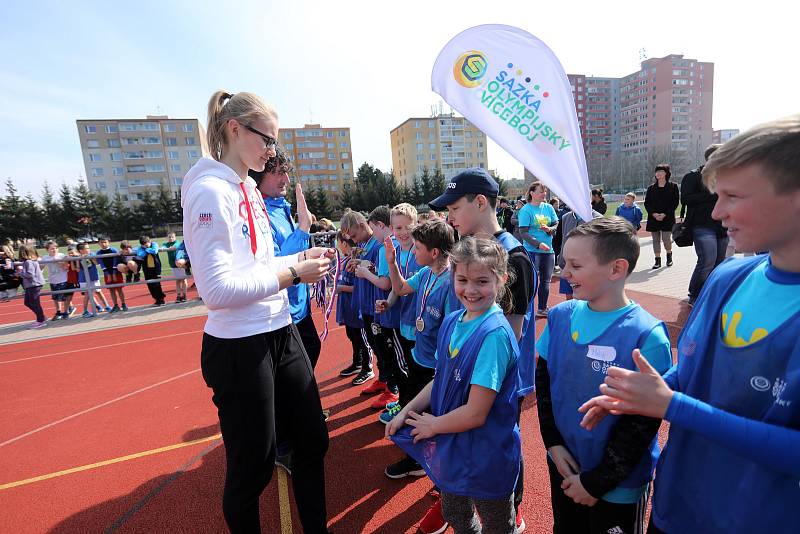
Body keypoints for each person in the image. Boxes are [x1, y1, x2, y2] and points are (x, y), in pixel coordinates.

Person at [578, 115, 800, 533]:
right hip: (676, 507)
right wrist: (638, 394)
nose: (717, 212)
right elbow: (695, 374)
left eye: (733, 196)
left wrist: (671, 404)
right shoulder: (728, 276)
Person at [181, 90, 334, 534]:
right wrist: (293, 276)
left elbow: (258, 264)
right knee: (254, 468)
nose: (272, 151)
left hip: (278, 329)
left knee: (311, 441)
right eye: (266, 139)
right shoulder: (210, 192)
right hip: (239, 345)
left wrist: (300, 260)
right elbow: (217, 290)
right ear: (234, 130)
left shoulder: (247, 187)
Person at [535, 217, 672, 533]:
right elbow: (544, 384)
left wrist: (597, 482)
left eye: (576, 266)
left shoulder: (646, 335)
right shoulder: (559, 317)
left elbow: (642, 424)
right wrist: (552, 443)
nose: (564, 273)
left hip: (617, 484)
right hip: (564, 465)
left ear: (616, 269)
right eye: (564, 262)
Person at [387, 237, 522, 534]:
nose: (470, 290)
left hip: (486, 453)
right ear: (453, 277)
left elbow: (476, 413)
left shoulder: (494, 335)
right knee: (455, 512)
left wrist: (433, 426)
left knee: (497, 523)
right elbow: (440, 379)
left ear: (501, 280)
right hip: (455, 445)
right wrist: (405, 410)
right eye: (462, 279)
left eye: (482, 281)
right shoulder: (451, 321)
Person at [429, 167, 536, 533]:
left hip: (490, 385)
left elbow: (512, 337)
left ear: (479, 203)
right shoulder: (466, 254)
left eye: (454, 208)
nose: (450, 217)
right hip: (463, 378)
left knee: (496, 460)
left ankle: (512, 509)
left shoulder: (514, 258)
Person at [379, 219, 458, 483]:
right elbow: (400, 289)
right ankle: (418, 459)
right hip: (418, 357)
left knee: (431, 418)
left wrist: (442, 366)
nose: (413, 252)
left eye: (418, 248)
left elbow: (452, 331)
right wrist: (391, 261)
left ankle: (434, 469)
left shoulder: (451, 284)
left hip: (436, 368)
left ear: (434, 252)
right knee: (414, 412)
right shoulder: (425, 274)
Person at [249, 147, 321, 368]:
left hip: (299, 305)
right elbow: (275, 262)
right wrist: (303, 229)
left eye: (286, 172)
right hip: (281, 311)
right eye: (279, 172)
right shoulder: (257, 212)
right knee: (293, 372)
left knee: (311, 351)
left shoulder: (280, 207)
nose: (287, 180)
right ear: (260, 173)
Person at [343, 207, 402, 408]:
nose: (353, 240)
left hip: (378, 304)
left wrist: (364, 269)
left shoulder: (379, 245)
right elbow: (374, 268)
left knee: (385, 348)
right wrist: (360, 263)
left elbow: (383, 278)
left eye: (354, 235)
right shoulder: (367, 244)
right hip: (369, 305)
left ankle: (393, 388)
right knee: (377, 346)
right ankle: (384, 379)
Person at [374, 203, 421, 423]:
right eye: (397, 228)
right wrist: (389, 303)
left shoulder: (419, 251)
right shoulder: (396, 252)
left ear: (416, 224)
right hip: (405, 320)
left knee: (415, 371)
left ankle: (409, 409)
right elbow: (396, 286)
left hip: (421, 322)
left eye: (406, 227)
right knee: (406, 367)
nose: (401, 232)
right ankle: (407, 406)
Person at [681, 145, 730, 306]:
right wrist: (712, 193)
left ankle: (711, 293)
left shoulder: (726, 177)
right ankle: (694, 295)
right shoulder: (693, 176)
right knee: (707, 261)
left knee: (719, 262)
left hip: (722, 225)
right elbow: (686, 199)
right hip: (701, 224)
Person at [335, 231, 373, 381]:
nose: (338, 246)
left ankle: (367, 367)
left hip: (356, 307)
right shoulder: (346, 261)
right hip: (347, 308)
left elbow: (359, 286)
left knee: (362, 338)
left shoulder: (357, 260)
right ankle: (357, 362)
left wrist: (341, 288)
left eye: (339, 243)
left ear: (344, 243)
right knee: (352, 336)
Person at [517, 181, 558, 317]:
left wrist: (550, 229)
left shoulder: (548, 208)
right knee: (531, 281)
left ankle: (542, 308)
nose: (544, 194)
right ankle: (525, 310)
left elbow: (555, 224)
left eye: (545, 191)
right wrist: (538, 244)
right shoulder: (526, 210)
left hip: (548, 251)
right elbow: (523, 232)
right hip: (532, 251)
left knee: (546, 281)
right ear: (532, 193)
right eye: (541, 191)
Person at [644, 164, 680, 269]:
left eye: (661, 171)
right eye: (657, 171)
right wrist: (654, 214)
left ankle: (669, 257)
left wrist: (664, 214)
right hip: (653, 217)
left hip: (667, 217)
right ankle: (657, 260)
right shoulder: (651, 188)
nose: (658, 173)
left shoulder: (673, 186)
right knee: (655, 240)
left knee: (666, 239)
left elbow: (675, 202)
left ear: (666, 173)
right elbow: (647, 203)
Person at [76, 242, 110, 317]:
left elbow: (96, 263)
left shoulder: (92, 254)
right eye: (87, 248)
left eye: (89, 248)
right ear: (81, 250)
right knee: (88, 294)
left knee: (99, 292)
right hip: (84, 279)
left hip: (93, 276)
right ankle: (85, 311)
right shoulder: (78, 257)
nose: (89, 249)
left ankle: (107, 306)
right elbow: (77, 269)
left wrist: (90, 257)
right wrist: (80, 259)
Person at [18, 245, 47, 328]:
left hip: (34, 284)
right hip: (32, 285)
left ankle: (41, 320)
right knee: (27, 302)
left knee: (35, 303)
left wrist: (20, 273)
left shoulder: (28, 262)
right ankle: (41, 316)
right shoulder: (29, 261)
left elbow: (30, 274)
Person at [97, 237, 127, 312]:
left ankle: (123, 304)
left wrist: (113, 274)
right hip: (107, 273)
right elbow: (101, 264)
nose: (103, 244)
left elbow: (115, 262)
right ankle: (115, 305)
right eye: (101, 242)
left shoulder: (113, 250)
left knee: (119, 289)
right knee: (111, 290)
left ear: (109, 242)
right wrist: (108, 274)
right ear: (99, 243)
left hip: (116, 272)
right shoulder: (98, 252)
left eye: (105, 242)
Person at [42, 241, 70, 320]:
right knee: (55, 298)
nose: (54, 250)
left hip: (63, 279)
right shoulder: (45, 257)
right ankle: (58, 311)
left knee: (64, 297)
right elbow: (41, 267)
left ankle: (66, 311)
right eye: (52, 249)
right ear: (47, 250)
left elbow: (66, 267)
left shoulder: (62, 256)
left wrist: (59, 262)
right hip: (53, 280)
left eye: (56, 248)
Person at [136, 236, 166, 307]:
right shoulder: (140, 248)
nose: (145, 245)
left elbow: (155, 251)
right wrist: (148, 250)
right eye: (143, 245)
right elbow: (140, 254)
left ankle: (161, 299)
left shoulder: (154, 244)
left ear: (150, 242)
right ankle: (156, 299)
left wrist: (146, 250)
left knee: (157, 284)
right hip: (147, 269)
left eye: (147, 244)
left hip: (156, 268)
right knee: (150, 284)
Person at [163, 232, 188, 304]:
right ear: (167, 238)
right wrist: (166, 248)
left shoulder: (177, 243)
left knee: (183, 280)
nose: (171, 238)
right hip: (173, 265)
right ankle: (179, 295)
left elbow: (176, 245)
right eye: (169, 237)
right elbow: (163, 246)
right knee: (177, 281)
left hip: (180, 264)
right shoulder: (166, 244)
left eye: (172, 237)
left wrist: (173, 247)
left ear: (175, 237)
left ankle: (184, 295)